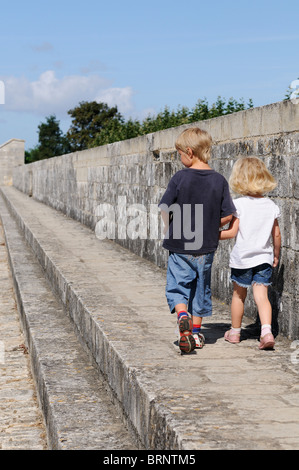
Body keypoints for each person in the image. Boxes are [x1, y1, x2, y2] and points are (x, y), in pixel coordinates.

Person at [159, 127, 236, 353]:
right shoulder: (219, 180)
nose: (179, 157)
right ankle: (195, 333)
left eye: (179, 153)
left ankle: (182, 315)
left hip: (179, 245)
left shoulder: (180, 177)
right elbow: (228, 215)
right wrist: (209, 226)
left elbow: (165, 207)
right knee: (200, 290)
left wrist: (168, 227)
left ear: (189, 152)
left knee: (178, 287)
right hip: (205, 248)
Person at [219, 156, 281, 350]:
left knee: (239, 296)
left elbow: (231, 232)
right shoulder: (270, 205)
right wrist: (276, 255)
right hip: (263, 258)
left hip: (242, 260)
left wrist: (210, 236)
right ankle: (266, 332)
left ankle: (235, 332)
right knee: (262, 296)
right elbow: (276, 234)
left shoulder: (239, 205)